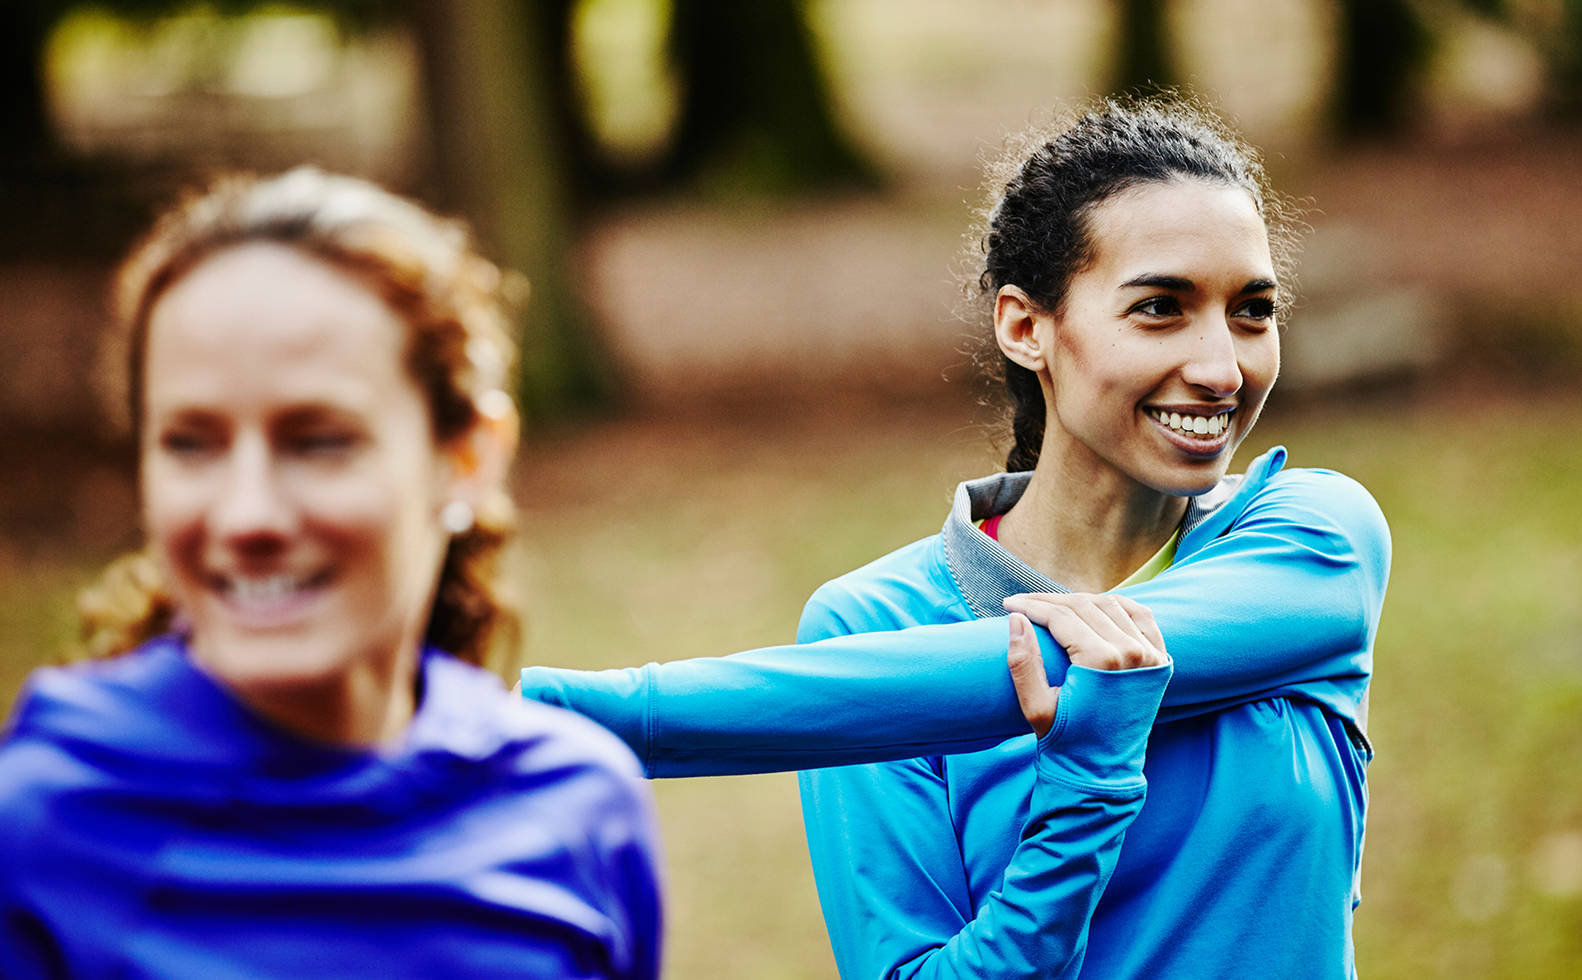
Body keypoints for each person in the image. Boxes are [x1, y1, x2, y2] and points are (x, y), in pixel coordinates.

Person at [519, 95, 1391, 979]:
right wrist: (1082, 794)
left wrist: (555, 710)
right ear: (1026, 327)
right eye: (1160, 307)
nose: (1221, 368)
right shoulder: (874, 624)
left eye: (1252, 311)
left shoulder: (1316, 541)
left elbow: (1047, 664)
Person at [0, 169, 661, 979]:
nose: (247, 516)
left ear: (467, 460)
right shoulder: (39, 832)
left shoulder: (578, 811)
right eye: (190, 443)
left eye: (319, 441)